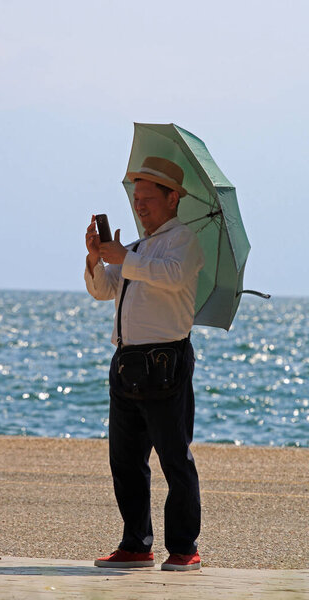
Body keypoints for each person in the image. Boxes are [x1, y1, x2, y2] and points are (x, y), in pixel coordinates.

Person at [84, 156, 205, 571]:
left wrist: (125, 257)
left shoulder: (183, 241)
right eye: (136, 199)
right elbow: (106, 291)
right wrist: (97, 259)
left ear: (173, 198)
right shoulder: (136, 247)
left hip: (166, 360)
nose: (139, 206)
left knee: (175, 457)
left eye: (148, 198)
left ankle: (184, 548)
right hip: (127, 362)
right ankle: (136, 544)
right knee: (125, 460)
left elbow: (171, 276)